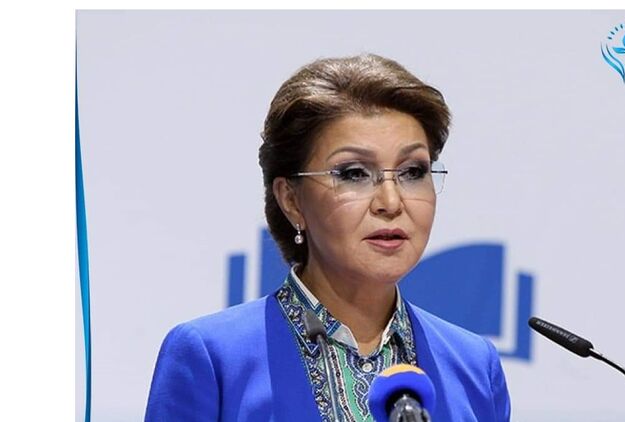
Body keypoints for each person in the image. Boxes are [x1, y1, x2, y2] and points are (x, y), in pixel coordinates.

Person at [145, 53, 511, 421]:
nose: (390, 202)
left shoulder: (473, 366)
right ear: (292, 200)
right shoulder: (213, 358)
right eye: (354, 173)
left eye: (413, 171)